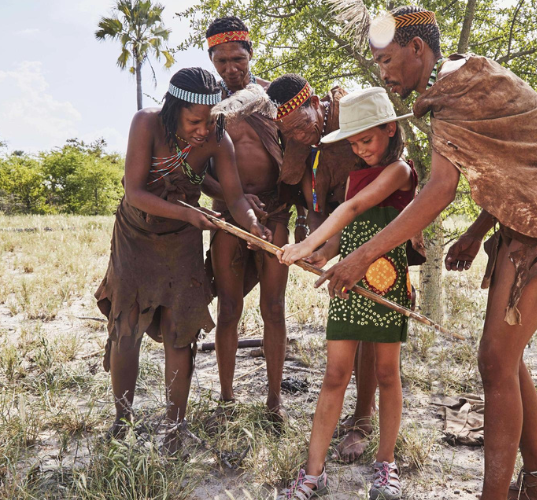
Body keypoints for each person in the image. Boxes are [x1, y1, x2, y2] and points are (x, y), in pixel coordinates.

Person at [317, 6, 537, 499]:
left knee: (496, 361)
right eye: (378, 64)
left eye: (389, 60)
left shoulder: (456, 86)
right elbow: (511, 161)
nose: (384, 73)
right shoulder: (454, 83)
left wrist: (362, 256)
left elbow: (437, 190)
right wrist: (478, 230)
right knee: (506, 359)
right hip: (526, 220)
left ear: (418, 49)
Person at [95, 67, 271, 454]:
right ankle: (122, 420)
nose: (204, 129)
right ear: (174, 111)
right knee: (127, 327)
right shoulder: (146, 124)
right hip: (135, 238)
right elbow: (136, 192)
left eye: (211, 120)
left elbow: (237, 198)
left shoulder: (218, 139)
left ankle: (176, 426)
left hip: (182, 244)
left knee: (181, 330)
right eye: (196, 121)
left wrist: (255, 226)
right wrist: (190, 214)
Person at [277, 87, 416, 500]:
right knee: (335, 374)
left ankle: (385, 465)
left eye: (367, 140)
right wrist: (320, 253)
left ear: (390, 130)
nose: (361, 149)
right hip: (347, 283)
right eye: (353, 143)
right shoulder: (355, 175)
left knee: (388, 374)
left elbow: (352, 210)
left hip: (388, 281)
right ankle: (312, 474)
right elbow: (345, 232)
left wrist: (304, 242)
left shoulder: (401, 172)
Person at [267, 74, 378, 462]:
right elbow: (314, 201)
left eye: (301, 125)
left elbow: (372, 193)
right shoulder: (300, 140)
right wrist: (318, 247)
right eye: (288, 132)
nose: (297, 136)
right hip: (336, 236)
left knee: (369, 329)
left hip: (377, 233)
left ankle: (364, 418)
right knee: (350, 326)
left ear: (315, 102)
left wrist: (338, 245)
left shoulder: (353, 118)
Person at [200, 15, 292, 429]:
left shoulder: (275, 98)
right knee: (229, 308)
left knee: (274, 307)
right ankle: (226, 398)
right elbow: (197, 172)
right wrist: (231, 199)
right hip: (228, 220)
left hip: (274, 215)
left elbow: (299, 155)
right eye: (221, 62)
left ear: (250, 53)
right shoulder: (207, 109)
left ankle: (274, 403)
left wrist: (292, 211)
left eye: (237, 58)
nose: (231, 68)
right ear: (211, 60)